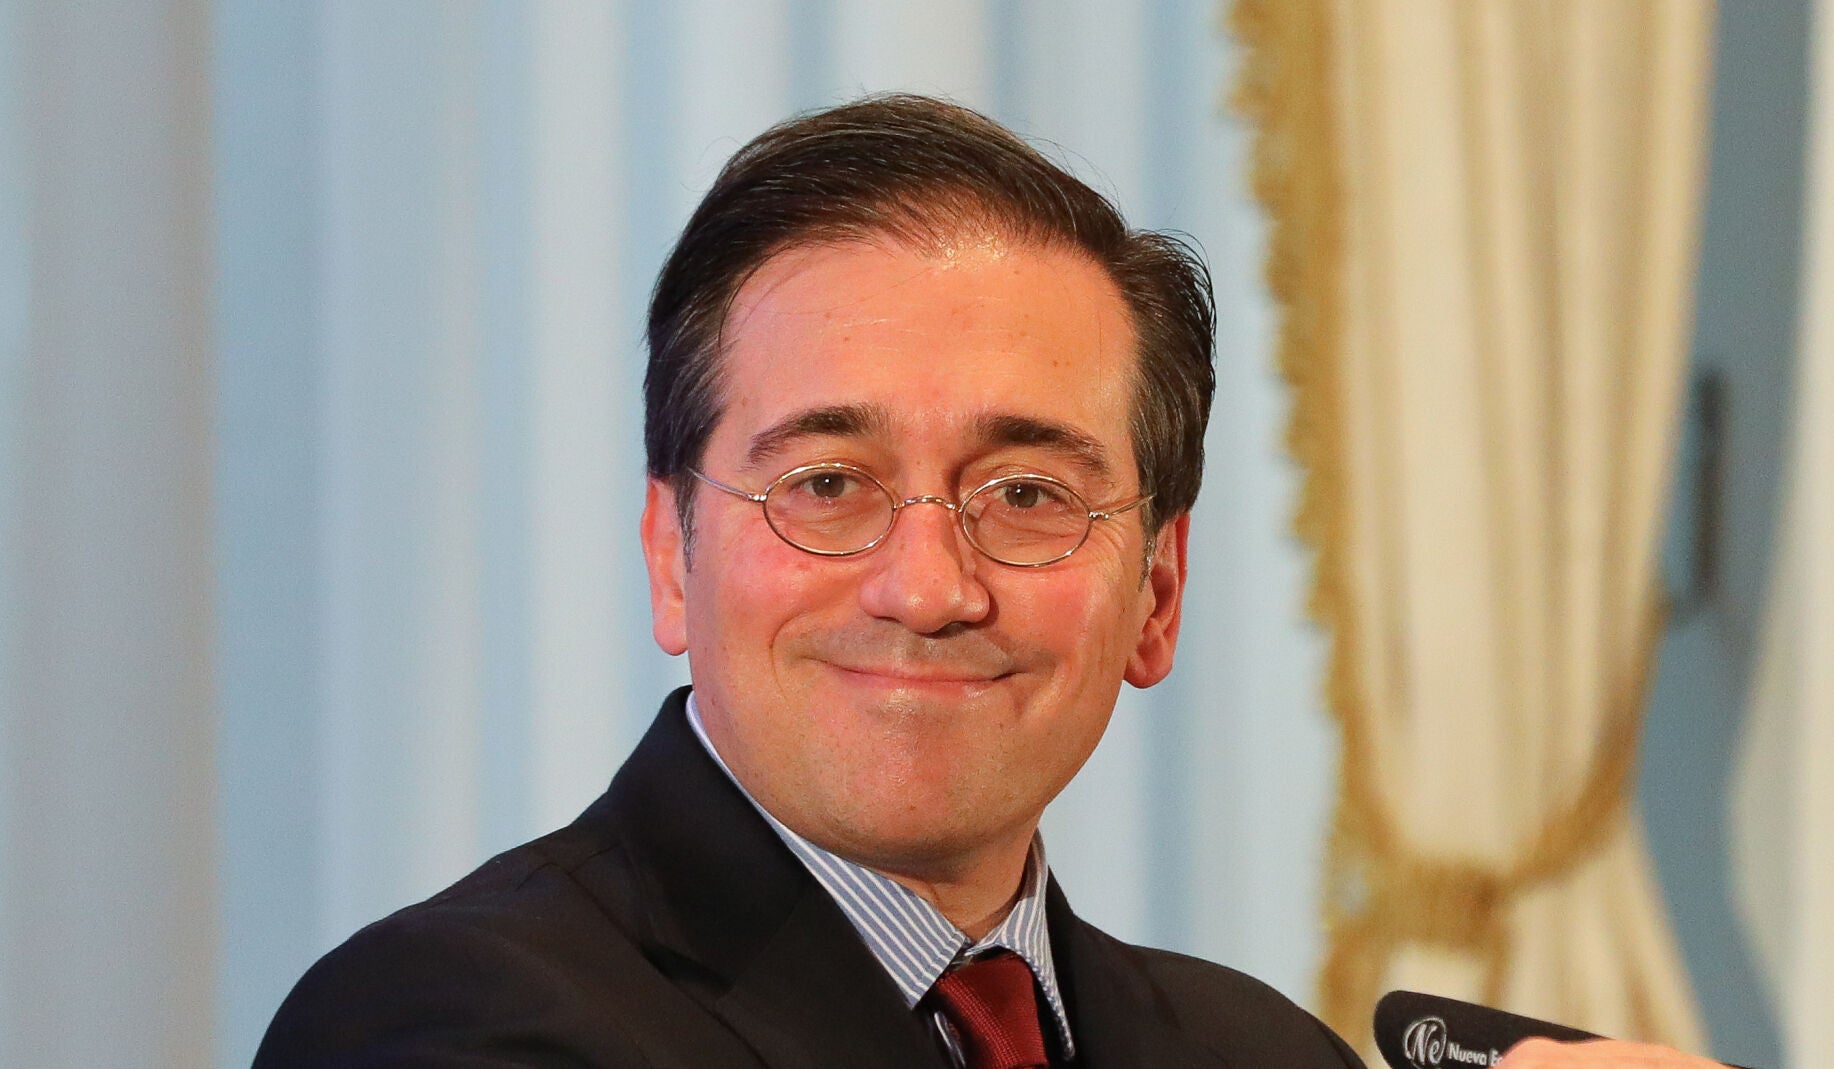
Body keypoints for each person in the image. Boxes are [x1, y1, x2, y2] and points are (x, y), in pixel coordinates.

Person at [257, 95, 1725, 1069]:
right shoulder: (453, 1020)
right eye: (826, 484)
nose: (927, 585)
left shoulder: (1255, 1050)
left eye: (1026, 496)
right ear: (671, 554)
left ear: (1157, 594)